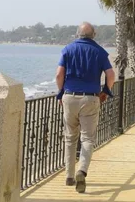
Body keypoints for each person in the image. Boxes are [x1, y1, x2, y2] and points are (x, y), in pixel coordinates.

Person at [56, 22, 115, 194]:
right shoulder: (99, 51)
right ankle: (82, 170)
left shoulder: (68, 49)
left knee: (70, 137)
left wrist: (61, 93)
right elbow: (110, 75)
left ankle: (69, 175)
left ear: (77, 34)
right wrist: (105, 91)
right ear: (93, 35)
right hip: (90, 98)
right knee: (87, 139)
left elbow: (59, 74)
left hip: (70, 97)